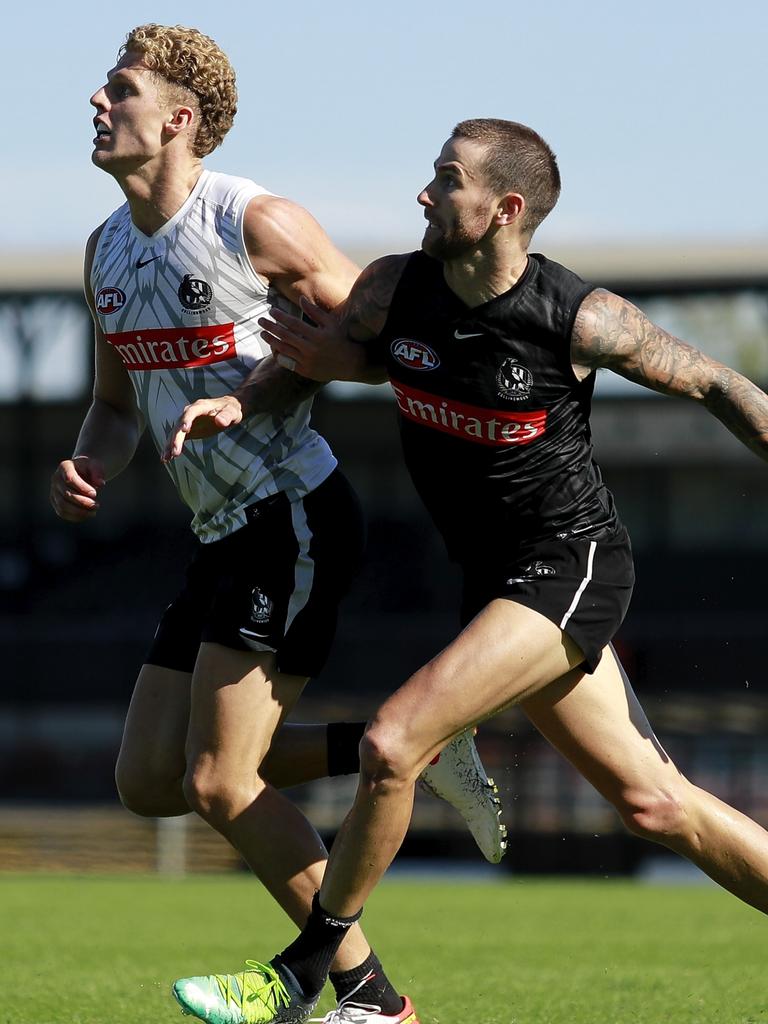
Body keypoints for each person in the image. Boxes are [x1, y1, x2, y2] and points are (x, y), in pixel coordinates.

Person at [169, 116, 768, 1024]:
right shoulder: (391, 287)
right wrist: (237, 400)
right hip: (495, 586)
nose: (424, 193)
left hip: (571, 568)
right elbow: (332, 359)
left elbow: (720, 384)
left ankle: (329, 981)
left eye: (447, 179)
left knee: (393, 740)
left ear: (504, 209)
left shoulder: (580, 316)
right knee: (655, 807)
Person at [49, 27, 506, 1024]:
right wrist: (90, 458)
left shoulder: (255, 221)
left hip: (294, 515)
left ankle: (370, 998)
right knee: (149, 780)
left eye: (118, 89)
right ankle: (409, 746)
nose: (95, 101)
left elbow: (388, 339)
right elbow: (116, 408)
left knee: (218, 779)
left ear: (178, 119)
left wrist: (270, 387)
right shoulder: (105, 252)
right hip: (220, 531)